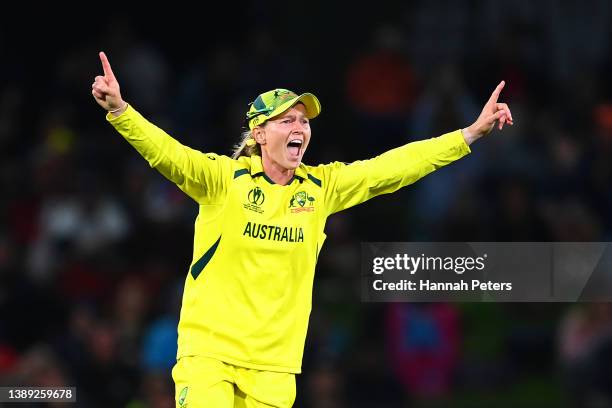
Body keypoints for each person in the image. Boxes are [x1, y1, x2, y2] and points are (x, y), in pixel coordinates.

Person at [91, 51, 513, 408]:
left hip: (275, 367)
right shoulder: (223, 179)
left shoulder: (321, 187)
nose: (299, 128)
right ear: (259, 133)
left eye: (304, 121)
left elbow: (394, 167)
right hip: (210, 354)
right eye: (286, 120)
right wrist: (121, 112)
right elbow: (169, 155)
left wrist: (469, 134)